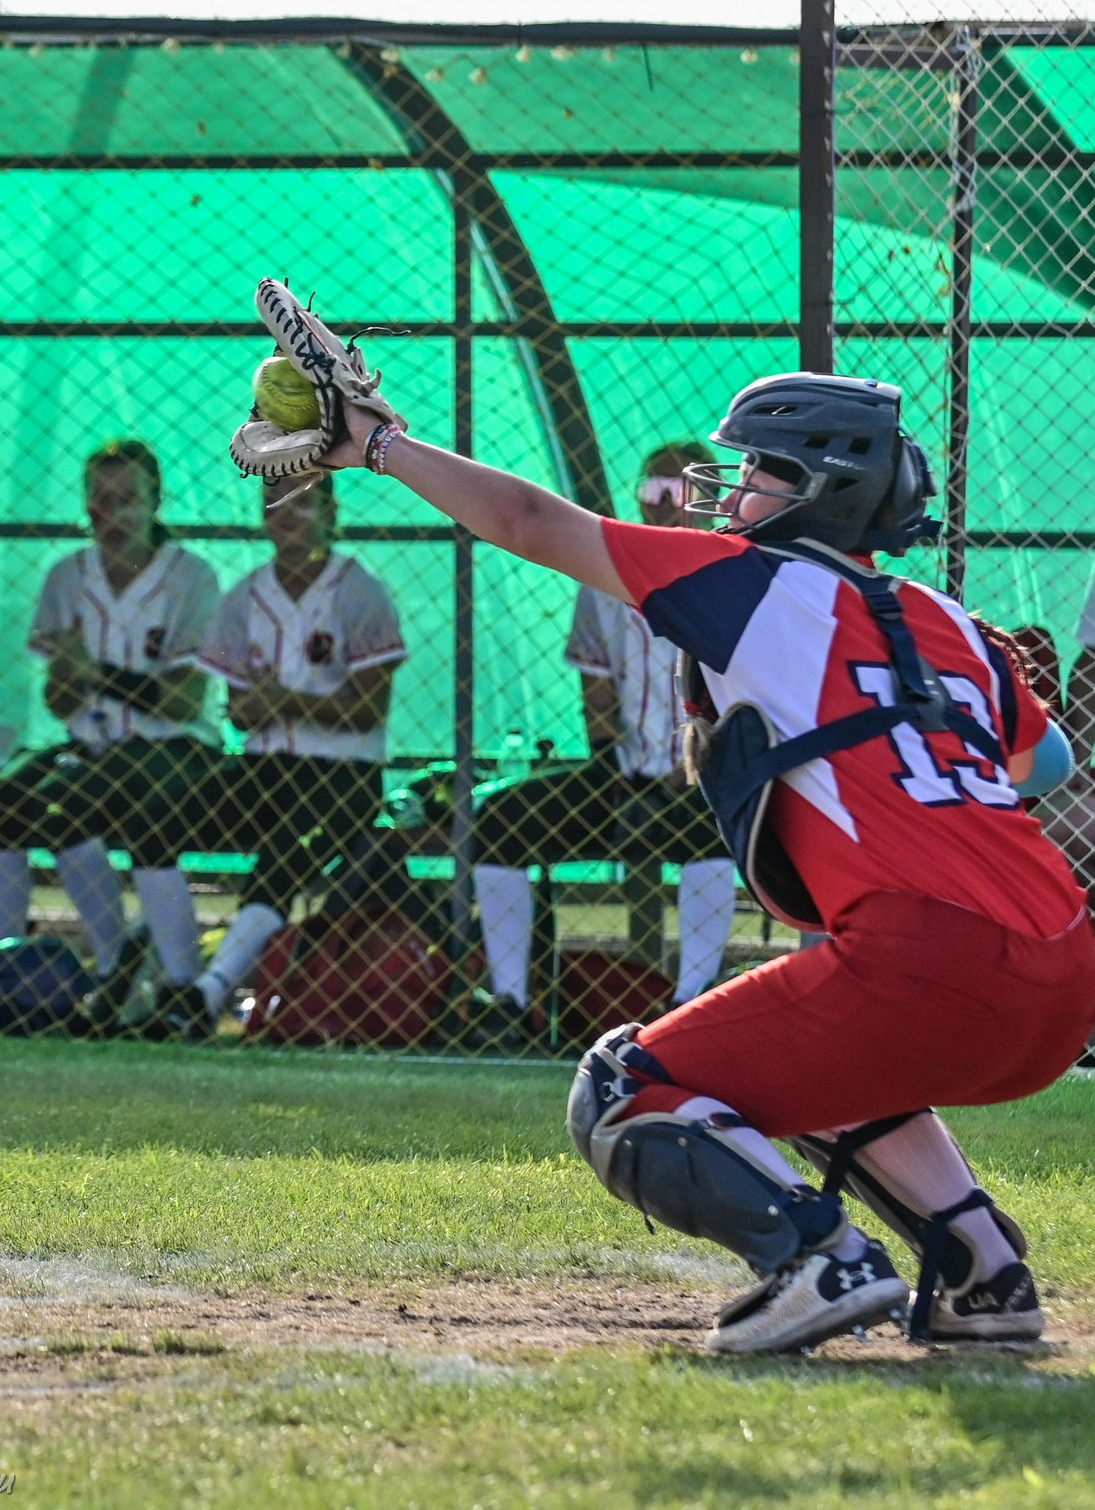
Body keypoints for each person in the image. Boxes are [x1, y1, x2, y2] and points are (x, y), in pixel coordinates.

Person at [248, 314, 1088, 1353]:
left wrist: (380, 443)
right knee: (812, 1072)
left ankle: (814, 1255)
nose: (731, 496)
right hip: (1064, 972)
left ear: (822, 486)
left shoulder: (746, 582)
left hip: (927, 962)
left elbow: (524, 517)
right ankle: (984, 1272)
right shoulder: (950, 623)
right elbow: (1043, 768)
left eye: (758, 474)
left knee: (624, 1085)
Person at [466, 444, 740, 1049]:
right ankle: (511, 1003)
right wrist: (610, 767)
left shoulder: (730, 575)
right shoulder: (606, 573)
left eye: (681, 494)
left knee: (711, 826)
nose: (665, 508)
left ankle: (691, 1000)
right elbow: (596, 691)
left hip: (704, 773)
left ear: (710, 504)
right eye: (654, 493)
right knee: (503, 819)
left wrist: (695, 764)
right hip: (623, 773)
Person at [0, 440, 220, 1032]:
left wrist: (94, 672)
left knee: (74, 805)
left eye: (128, 499)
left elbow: (183, 702)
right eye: (100, 501)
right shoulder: (67, 576)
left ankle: (123, 973)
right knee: (2, 804)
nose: (113, 514)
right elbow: (59, 700)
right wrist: (73, 677)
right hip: (91, 745)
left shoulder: (191, 576)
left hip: (176, 748)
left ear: (156, 502)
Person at [170, 471, 403, 1034]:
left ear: (329, 511)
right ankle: (163, 975)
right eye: (274, 503)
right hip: (264, 767)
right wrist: (260, 707)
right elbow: (240, 707)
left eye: (303, 504)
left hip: (342, 773)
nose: (287, 515)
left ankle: (207, 993)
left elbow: (369, 710)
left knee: (288, 849)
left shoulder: (359, 590)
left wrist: (284, 701)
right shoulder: (245, 594)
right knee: (159, 816)